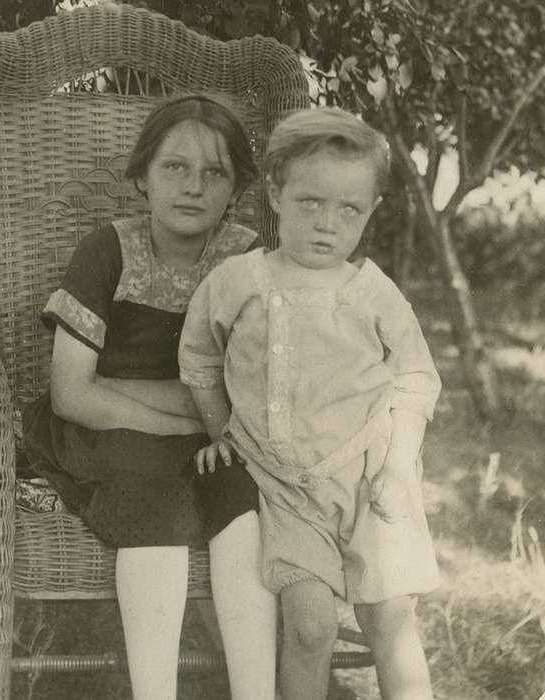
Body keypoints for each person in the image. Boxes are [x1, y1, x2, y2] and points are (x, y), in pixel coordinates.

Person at [179, 106, 442, 700]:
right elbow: (197, 359)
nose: (327, 224)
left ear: (372, 209)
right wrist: (220, 431)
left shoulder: (371, 290)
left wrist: (399, 465)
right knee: (308, 626)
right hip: (283, 490)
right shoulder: (237, 281)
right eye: (310, 203)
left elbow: (416, 378)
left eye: (349, 209)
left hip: (371, 477)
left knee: (391, 624)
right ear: (276, 193)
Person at [22, 94, 277, 700]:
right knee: (153, 499)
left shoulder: (245, 262)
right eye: (174, 167)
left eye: (214, 172)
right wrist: (191, 410)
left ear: (238, 188)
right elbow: (72, 394)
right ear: (141, 177)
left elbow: (248, 398)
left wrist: (202, 414)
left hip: (208, 434)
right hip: (103, 433)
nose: (193, 186)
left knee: (241, 500)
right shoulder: (107, 250)